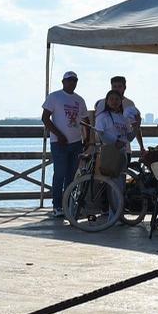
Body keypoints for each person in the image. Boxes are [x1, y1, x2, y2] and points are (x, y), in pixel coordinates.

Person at [41, 71, 89, 218]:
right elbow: (45, 118)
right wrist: (59, 135)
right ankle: (57, 205)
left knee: (71, 175)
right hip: (59, 143)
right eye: (69, 80)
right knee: (59, 174)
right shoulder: (54, 97)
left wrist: (87, 138)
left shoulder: (79, 99)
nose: (72, 83)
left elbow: (86, 120)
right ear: (63, 82)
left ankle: (68, 204)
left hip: (76, 142)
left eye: (74, 80)